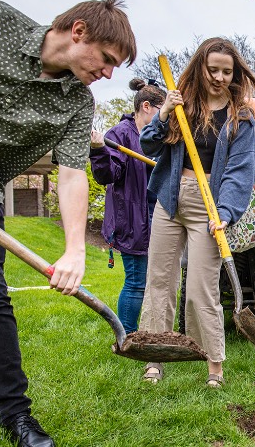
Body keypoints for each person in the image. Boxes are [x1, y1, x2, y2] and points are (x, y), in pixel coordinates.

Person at [0, 0, 135, 446]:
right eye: (105, 60)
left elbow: (70, 176)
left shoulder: (76, 104)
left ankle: (17, 419)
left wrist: (75, 248)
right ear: (78, 31)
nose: (106, 74)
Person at [138, 37, 255, 386]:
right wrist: (165, 113)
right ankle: (155, 356)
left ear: (235, 74)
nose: (219, 77)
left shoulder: (240, 116)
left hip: (210, 206)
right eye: (212, 69)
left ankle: (213, 365)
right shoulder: (183, 103)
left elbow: (240, 170)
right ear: (201, 67)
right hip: (170, 199)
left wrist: (226, 212)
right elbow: (149, 145)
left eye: (226, 71)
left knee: (202, 288)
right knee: (160, 281)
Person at [90, 78, 166, 334]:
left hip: (159, 216)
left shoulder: (160, 135)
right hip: (132, 219)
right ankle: (127, 336)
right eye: (162, 110)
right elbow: (106, 175)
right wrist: (99, 150)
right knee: (136, 281)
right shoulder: (120, 135)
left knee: (153, 281)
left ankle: (146, 329)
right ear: (147, 106)